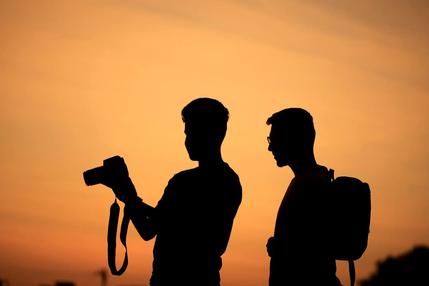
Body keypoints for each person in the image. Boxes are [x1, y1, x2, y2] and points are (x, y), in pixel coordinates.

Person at [105, 98, 242, 286]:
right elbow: (153, 227)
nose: (187, 141)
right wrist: (128, 195)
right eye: (187, 134)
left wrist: (129, 195)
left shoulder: (194, 182)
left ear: (212, 134)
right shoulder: (225, 181)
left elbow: (156, 228)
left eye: (192, 132)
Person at [266, 108, 341, 285]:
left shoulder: (309, 185)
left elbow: (313, 251)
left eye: (275, 140)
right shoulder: (313, 180)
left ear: (294, 139)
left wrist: (280, 249)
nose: (270, 147)